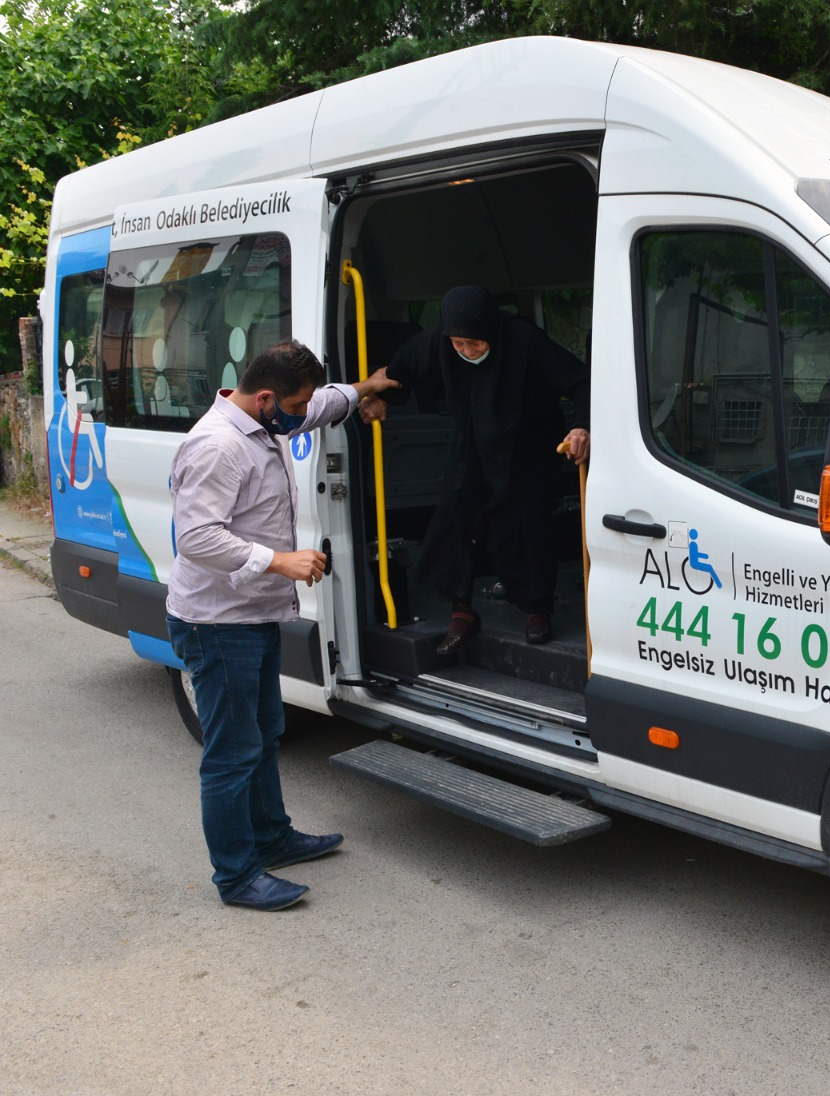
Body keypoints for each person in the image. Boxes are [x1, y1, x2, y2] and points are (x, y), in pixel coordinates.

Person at [166, 340, 399, 912]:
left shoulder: (265, 422)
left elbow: (321, 406)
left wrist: (366, 388)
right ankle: (237, 875)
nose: (304, 412)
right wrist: (278, 560)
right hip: (217, 623)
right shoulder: (218, 446)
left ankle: (272, 837)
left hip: (254, 615)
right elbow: (197, 539)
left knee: (265, 732)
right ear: (267, 396)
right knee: (232, 753)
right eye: (295, 402)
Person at [360, 285, 590, 652]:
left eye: (475, 343)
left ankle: (537, 610)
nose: (466, 351)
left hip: (526, 450)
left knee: (526, 526)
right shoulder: (440, 340)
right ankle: (462, 610)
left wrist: (580, 426)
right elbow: (403, 368)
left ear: (490, 331)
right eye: (459, 344)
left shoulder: (525, 341)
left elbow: (580, 381)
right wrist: (381, 396)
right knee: (453, 518)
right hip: (472, 447)